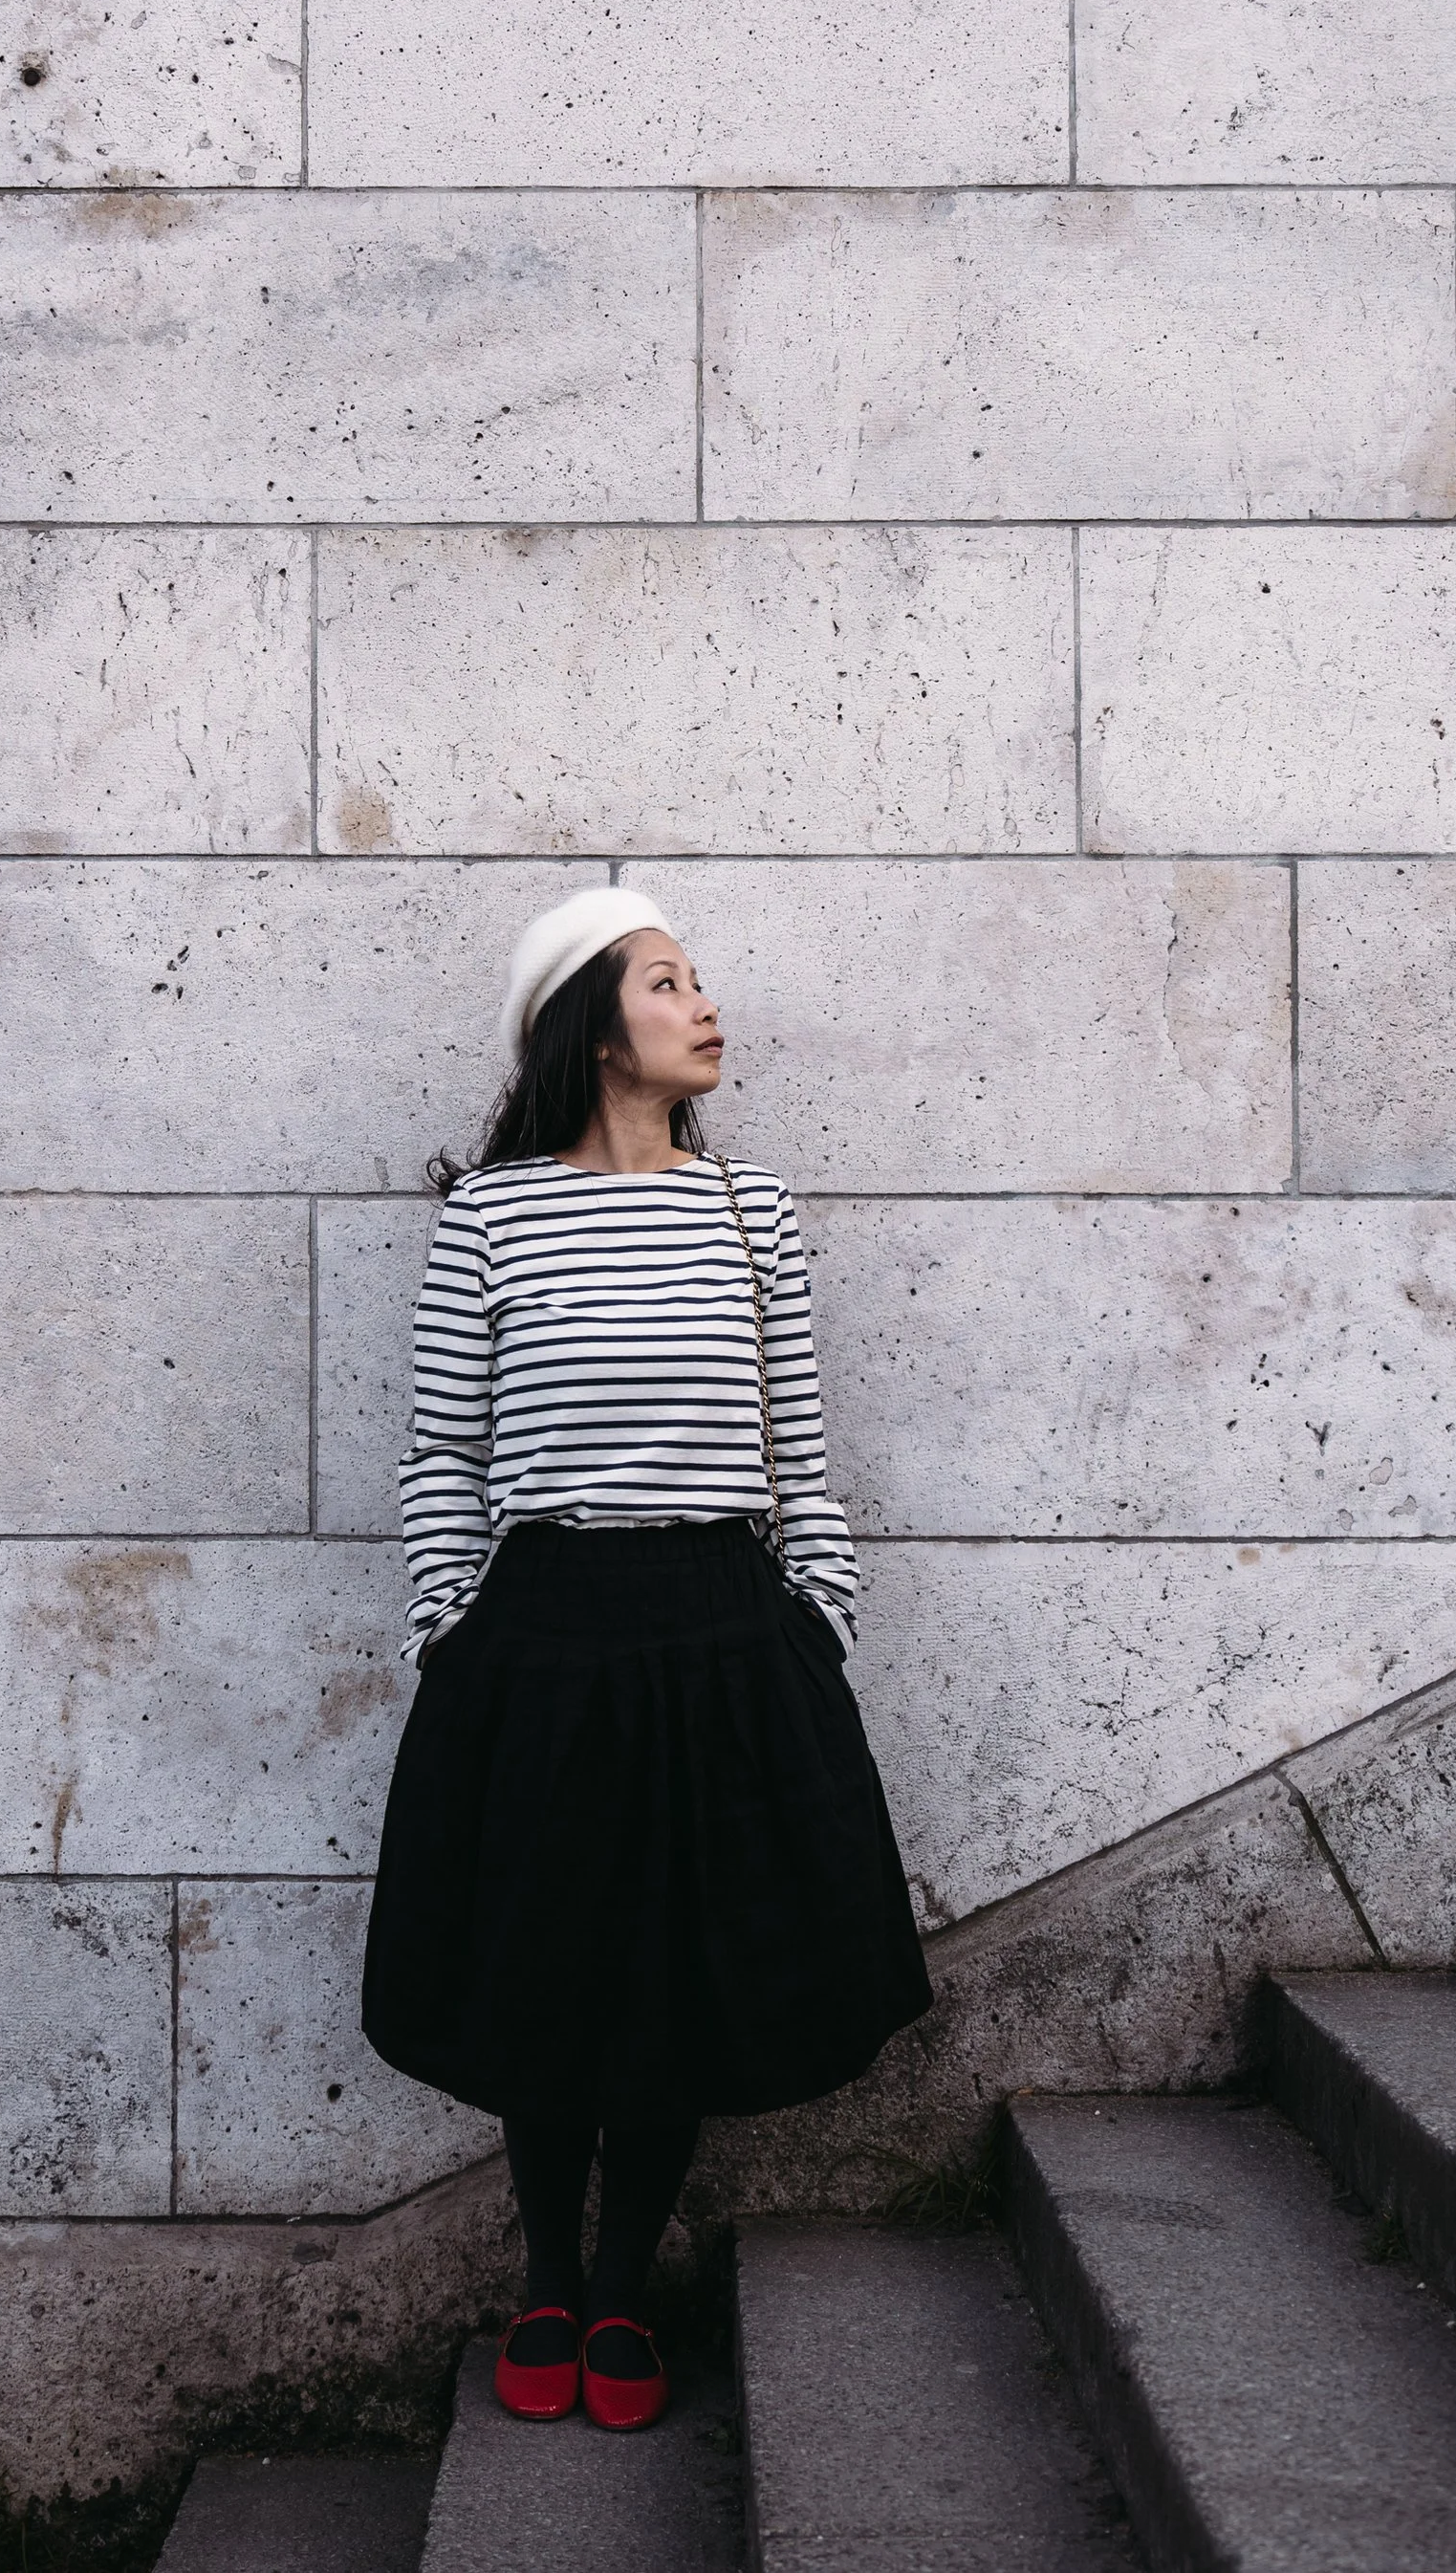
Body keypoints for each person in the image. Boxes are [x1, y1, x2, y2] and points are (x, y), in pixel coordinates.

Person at [361, 885, 932, 2431]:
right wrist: (447, 1634)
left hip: (722, 1633)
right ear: (595, 1028)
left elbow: (801, 1453)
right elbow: (440, 1456)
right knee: (550, 1960)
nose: (708, 1004)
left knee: (677, 1968)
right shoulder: (492, 1213)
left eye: (702, 979)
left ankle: (622, 2285)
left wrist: (816, 1618)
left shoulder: (752, 1211)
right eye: (671, 982)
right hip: (540, 1634)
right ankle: (545, 2275)